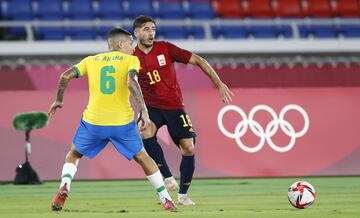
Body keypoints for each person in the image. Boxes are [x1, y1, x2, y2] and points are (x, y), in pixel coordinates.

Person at [48, 28, 176, 212]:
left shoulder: (91, 60)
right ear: (119, 44)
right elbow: (132, 82)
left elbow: (65, 75)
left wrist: (59, 100)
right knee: (143, 157)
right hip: (121, 123)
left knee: (74, 154)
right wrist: (144, 110)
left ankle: (65, 185)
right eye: (130, 43)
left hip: (93, 122)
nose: (133, 48)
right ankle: (165, 198)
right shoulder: (131, 60)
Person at [132, 16, 234, 206]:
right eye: (146, 29)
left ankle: (183, 195)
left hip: (175, 107)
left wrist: (218, 83)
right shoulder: (131, 56)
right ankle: (167, 177)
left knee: (188, 147)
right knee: (145, 131)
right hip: (151, 107)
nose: (151, 33)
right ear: (136, 32)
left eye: (153, 29)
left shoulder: (166, 48)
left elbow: (199, 60)